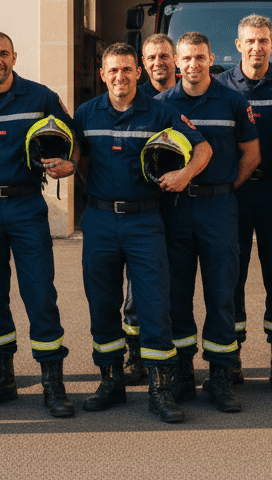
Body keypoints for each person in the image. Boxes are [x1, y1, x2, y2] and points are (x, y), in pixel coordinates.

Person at [73, 42, 210, 423]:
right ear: (103, 74)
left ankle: (159, 389)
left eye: (127, 69)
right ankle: (111, 381)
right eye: (113, 70)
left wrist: (184, 175)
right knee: (102, 303)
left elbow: (203, 149)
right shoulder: (86, 113)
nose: (120, 76)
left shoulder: (161, 112)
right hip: (100, 220)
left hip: (144, 221)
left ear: (138, 73)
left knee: (154, 305)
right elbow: (80, 158)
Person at [0, 31, 78, 417]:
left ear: (14, 57)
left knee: (40, 293)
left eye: (3, 53)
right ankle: (2, 377)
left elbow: (72, 137)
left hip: (26, 205)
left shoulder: (41, 97)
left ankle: (52, 382)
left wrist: (69, 164)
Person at [154, 32, 258, 412]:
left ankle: (220, 377)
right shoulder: (161, 104)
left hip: (218, 207)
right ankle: (183, 373)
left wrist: (225, 187)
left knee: (221, 293)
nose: (193, 65)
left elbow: (252, 154)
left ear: (211, 59)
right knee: (177, 294)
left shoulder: (233, 101)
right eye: (186, 58)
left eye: (200, 57)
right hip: (175, 209)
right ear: (176, 62)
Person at [214, 14, 272, 394]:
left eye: (263, 40)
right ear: (238, 45)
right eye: (249, 41)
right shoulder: (220, 87)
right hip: (234, 194)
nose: (256, 47)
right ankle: (231, 360)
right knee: (230, 278)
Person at [122, 33, 178, 384]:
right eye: (152, 57)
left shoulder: (187, 96)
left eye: (164, 56)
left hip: (184, 205)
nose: (159, 62)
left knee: (179, 283)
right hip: (143, 210)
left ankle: (181, 358)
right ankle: (135, 353)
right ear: (143, 65)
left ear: (175, 59)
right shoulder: (132, 98)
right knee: (137, 286)